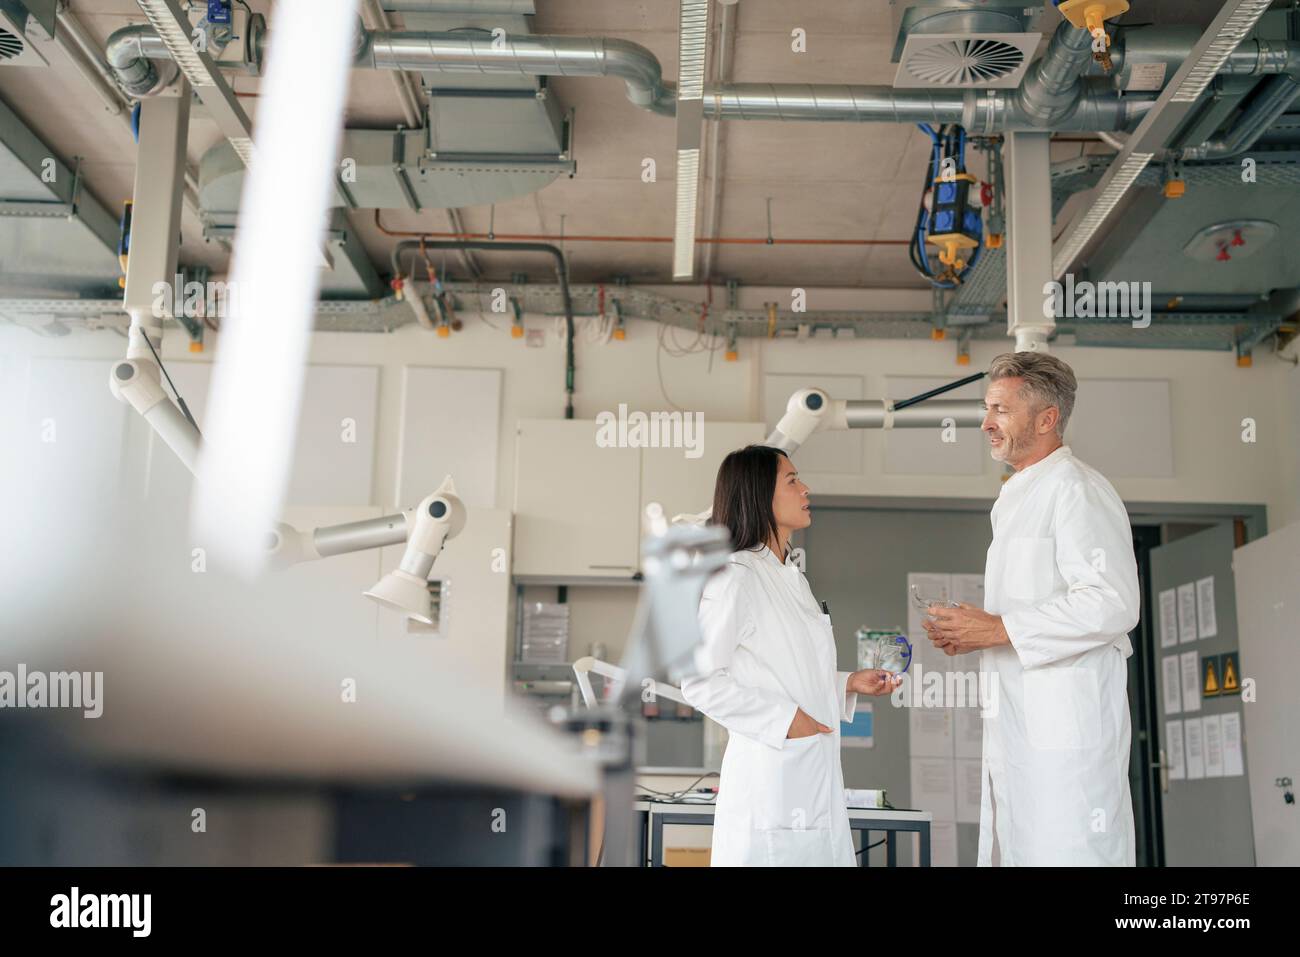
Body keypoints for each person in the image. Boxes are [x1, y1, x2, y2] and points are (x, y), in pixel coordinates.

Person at [922, 352, 1141, 866]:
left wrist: (998, 629)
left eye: (1000, 409)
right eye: (986, 408)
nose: (985, 423)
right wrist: (973, 632)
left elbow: (1113, 602)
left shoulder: (1076, 489)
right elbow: (1025, 614)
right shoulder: (1017, 497)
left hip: (1066, 737)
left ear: (1047, 419)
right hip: (1021, 731)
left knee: (1070, 850)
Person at [681, 445, 900, 867]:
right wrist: (787, 722)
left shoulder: (790, 577)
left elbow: (785, 669)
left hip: (809, 776)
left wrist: (846, 683)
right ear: (761, 495)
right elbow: (699, 680)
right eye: (793, 480)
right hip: (772, 781)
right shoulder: (736, 575)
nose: (806, 489)